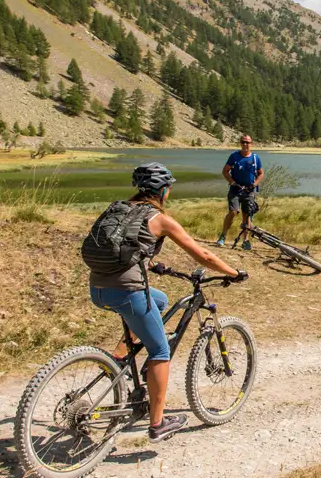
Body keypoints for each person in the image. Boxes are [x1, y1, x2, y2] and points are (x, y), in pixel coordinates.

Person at [89, 163, 246, 443]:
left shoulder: (119, 209)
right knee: (160, 350)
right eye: (169, 187)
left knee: (159, 300)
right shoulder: (160, 219)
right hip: (128, 292)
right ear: (163, 190)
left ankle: (119, 357)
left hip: (98, 289)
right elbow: (204, 256)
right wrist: (233, 272)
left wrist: (150, 263)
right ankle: (158, 423)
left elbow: (122, 246)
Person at [217, 135, 264, 249]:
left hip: (249, 191)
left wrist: (254, 184)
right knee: (233, 211)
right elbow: (225, 171)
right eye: (243, 142)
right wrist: (232, 182)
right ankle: (223, 236)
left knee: (247, 214)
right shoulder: (234, 156)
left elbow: (261, 173)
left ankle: (246, 240)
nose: (245, 144)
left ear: (251, 144)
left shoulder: (255, 158)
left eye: (247, 142)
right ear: (240, 143)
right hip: (235, 189)